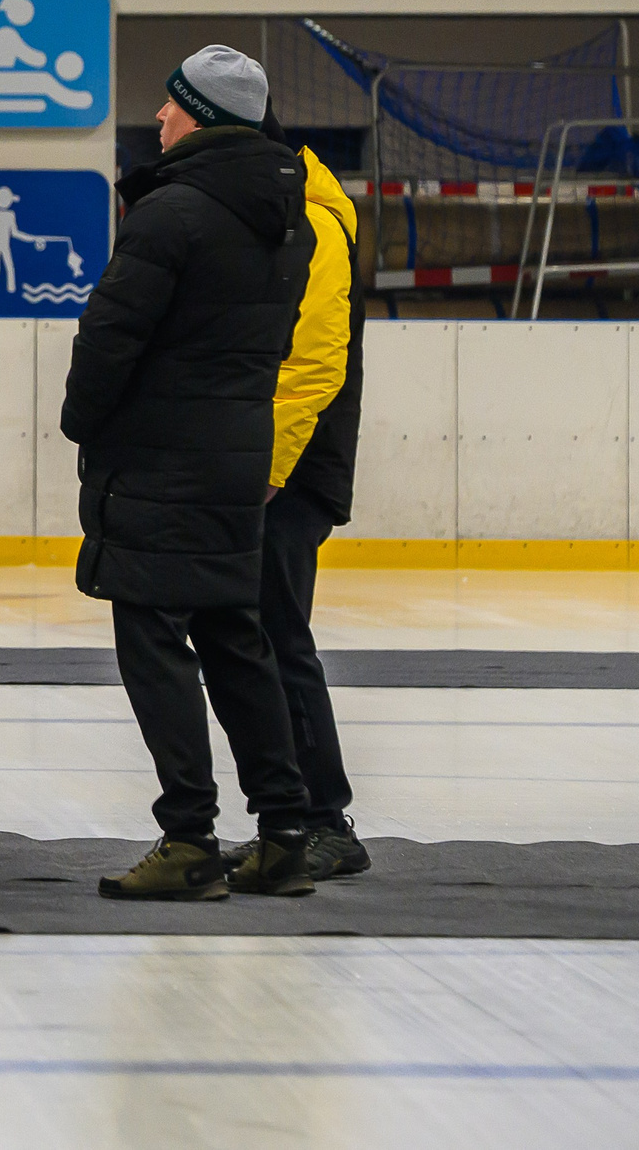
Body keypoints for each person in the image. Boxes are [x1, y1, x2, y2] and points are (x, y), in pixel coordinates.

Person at [61, 45, 319, 901]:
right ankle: (285, 829)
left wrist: (83, 422)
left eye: (172, 106)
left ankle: (189, 835)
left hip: (161, 457)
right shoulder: (291, 217)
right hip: (237, 453)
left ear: (201, 115)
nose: (160, 120)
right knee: (234, 636)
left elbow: (110, 337)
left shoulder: (171, 213)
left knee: (152, 636)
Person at [247, 110, 368, 880]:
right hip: (280, 465)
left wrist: (266, 469)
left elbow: (314, 366)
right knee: (265, 637)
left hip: (290, 470)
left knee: (279, 638)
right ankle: (295, 817)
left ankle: (324, 818)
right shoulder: (294, 214)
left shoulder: (316, 226)